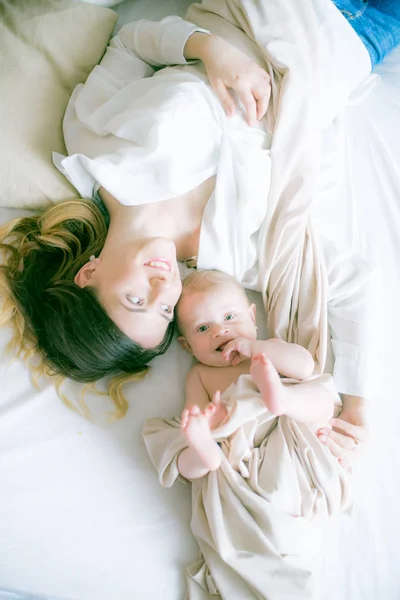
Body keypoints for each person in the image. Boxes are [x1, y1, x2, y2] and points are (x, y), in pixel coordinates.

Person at [1, 3, 398, 449]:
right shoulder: (228, 261)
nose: (163, 287)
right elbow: (353, 283)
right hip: (346, 44)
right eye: (165, 309)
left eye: (136, 299)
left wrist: (208, 50)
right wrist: (357, 406)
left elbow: (132, 44)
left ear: (88, 273)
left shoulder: (93, 148)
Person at [174, 270, 342, 478]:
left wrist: (254, 348)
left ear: (252, 317)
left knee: (320, 396)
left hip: (296, 428)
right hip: (250, 450)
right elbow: (195, 419)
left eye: (229, 316)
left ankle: (283, 398)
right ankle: (206, 455)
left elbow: (305, 367)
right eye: (203, 328)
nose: (219, 330)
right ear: (188, 346)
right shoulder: (199, 375)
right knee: (187, 452)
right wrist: (211, 424)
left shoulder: (268, 348)